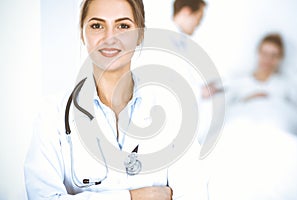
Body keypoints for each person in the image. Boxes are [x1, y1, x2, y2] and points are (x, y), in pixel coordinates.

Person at [24, 0, 204, 199]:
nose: (110, 37)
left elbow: (193, 193)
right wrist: (134, 197)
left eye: (123, 26)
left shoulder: (171, 111)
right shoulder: (53, 114)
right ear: (82, 33)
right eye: (97, 25)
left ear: (140, 34)